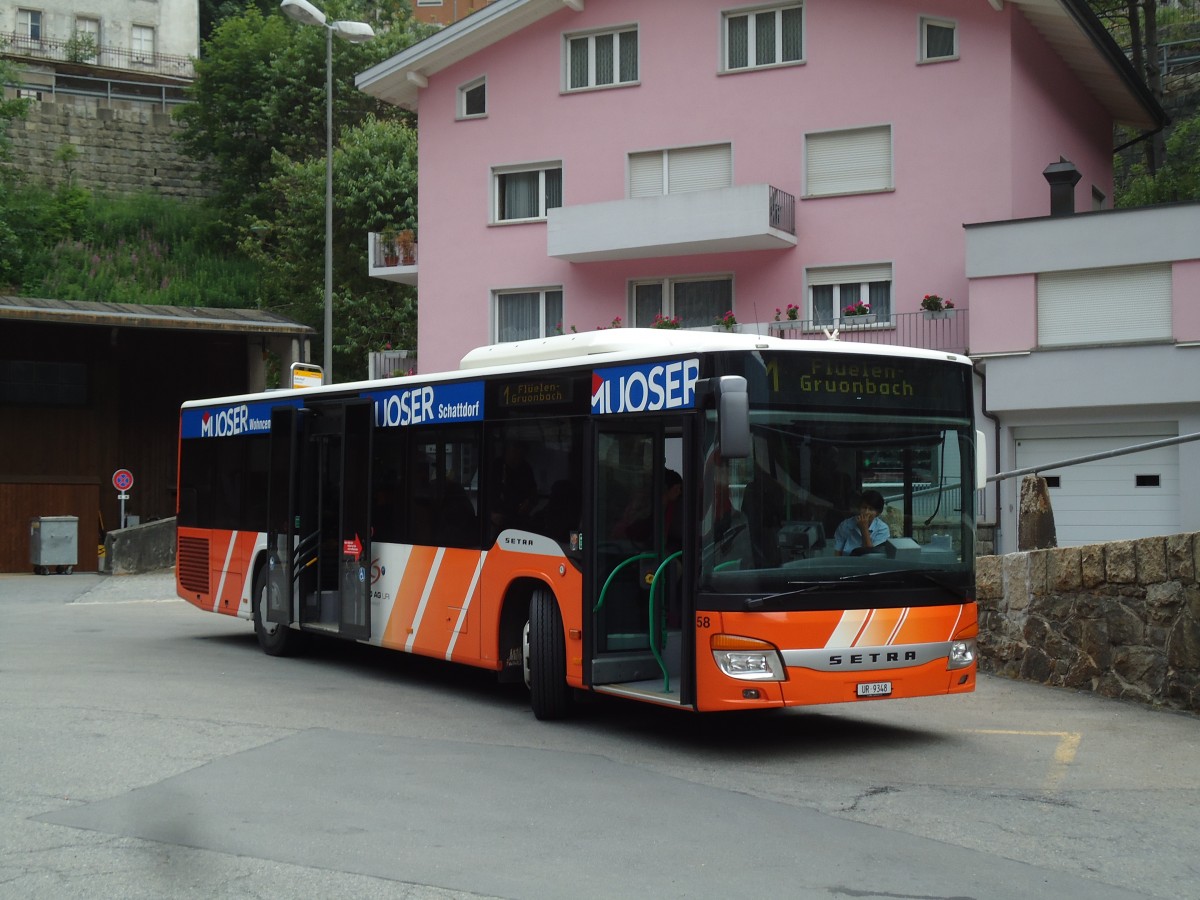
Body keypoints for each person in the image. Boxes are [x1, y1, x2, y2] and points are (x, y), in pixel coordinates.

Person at [833, 489, 890, 556]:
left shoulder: (882, 529)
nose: (866, 512)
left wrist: (864, 529)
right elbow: (837, 552)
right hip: (847, 562)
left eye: (871, 509)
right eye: (864, 507)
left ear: (877, 513)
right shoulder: (845, 525)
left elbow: (872, 556)